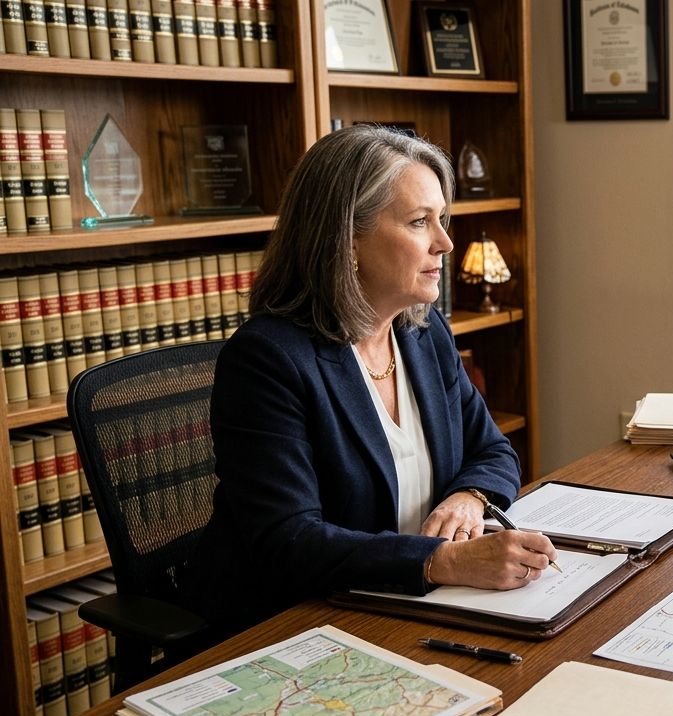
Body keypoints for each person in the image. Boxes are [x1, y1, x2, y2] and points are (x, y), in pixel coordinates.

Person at [188, 125, 556, 634]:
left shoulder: (425, 335)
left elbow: (493, 451)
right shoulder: (267, 360)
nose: (445, 243)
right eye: (419, 222)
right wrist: (441, 561)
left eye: (441, 219)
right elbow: (288, 541)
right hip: (300, 621)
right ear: (348, 239)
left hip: (409, 603)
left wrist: (469, 496)